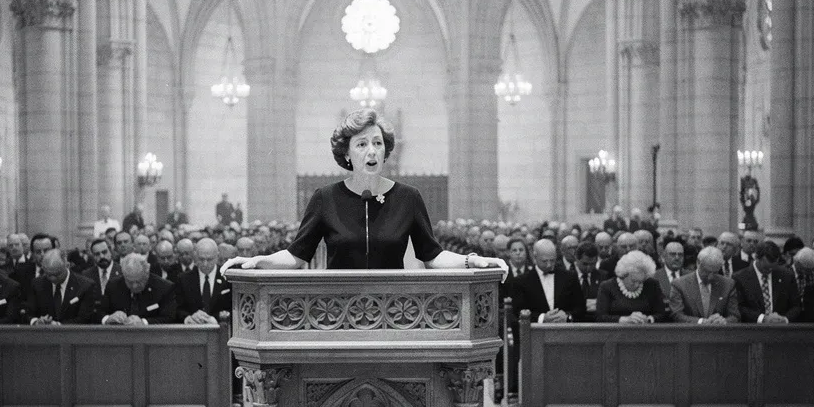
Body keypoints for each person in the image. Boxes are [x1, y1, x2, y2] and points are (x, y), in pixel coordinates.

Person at [223, 109, 507, 276]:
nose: (371, 151)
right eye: (361, 144)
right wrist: (258, 261)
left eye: (377, 143)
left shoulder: (409, 197)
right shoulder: (325, 198)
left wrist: (472, 260)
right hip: (337, 311)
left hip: (394, 309)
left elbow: (432, 256)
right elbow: (298, 255)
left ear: (386, 151)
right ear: (346, 154)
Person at [510, 238, 584, 323]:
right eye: (544, 261)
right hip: (536, 332)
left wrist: (568, 316)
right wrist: (542, 318)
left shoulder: (570, 277)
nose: (549, 265)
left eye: (552, 260)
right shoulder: (521, 281)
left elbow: (580, 307)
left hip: (565, 331)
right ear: (535, 257)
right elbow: (518, 311)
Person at [733, 239, 801, 324]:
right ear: (757, 258)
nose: (770, 270)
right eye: (766, 268)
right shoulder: (740, 277)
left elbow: (796, 306)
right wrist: (763, 319)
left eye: (773, 267)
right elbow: (739, 307)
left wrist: (784, 319)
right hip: (753, 330)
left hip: (782, 330)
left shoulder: (787, 275)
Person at [98, 252, 176, 325]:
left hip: (152, 336)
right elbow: (99, 312)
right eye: (130, 282)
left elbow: (170, 318)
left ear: (147, 273)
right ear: (124, 275)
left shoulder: (164, 288)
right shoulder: (113, 286)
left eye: (139, 281)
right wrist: (108, 318)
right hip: (119, 336)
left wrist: (143, 322)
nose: (134, 286)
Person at [668, 246, 739, 324]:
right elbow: (677, 315)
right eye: (707, 272)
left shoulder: (728, 284)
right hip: (690, 333)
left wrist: (724, 321)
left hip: (719, 333)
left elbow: (735, 316)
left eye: (715, 272)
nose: (710, 277)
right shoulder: (679, 284)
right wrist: (702, 322)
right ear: (698, 263)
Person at [26, 248, 97, 325]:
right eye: (48, 274)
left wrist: (59, 326)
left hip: (73, 334)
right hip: (43, 334)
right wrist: (36, 321)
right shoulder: (37, 284)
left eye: (57, 274)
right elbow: (28, 312)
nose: (53, 278)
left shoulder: (85, 286)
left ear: (67, 265)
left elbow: (85, 318)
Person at [595, 250, 667, 324]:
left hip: (646, 331)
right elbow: (600, 317)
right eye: (633, 281)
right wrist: (625, 320)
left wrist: (648, 319)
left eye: (641, 281)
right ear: (623, 275)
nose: (637, 285)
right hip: (615, 333)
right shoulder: (607, 286)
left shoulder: (652, 284)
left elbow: (661, 314)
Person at [178, 237, 231, 324]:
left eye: (209, 259)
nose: (205, 264)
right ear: (195, 257)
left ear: (217, 257)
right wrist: (188, 318)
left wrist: (216, 319)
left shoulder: (227, 278)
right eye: (201, 259)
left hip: (221, 330)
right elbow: (177, 308)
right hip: (193, 330)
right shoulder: (183, 279)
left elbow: (234, 308)